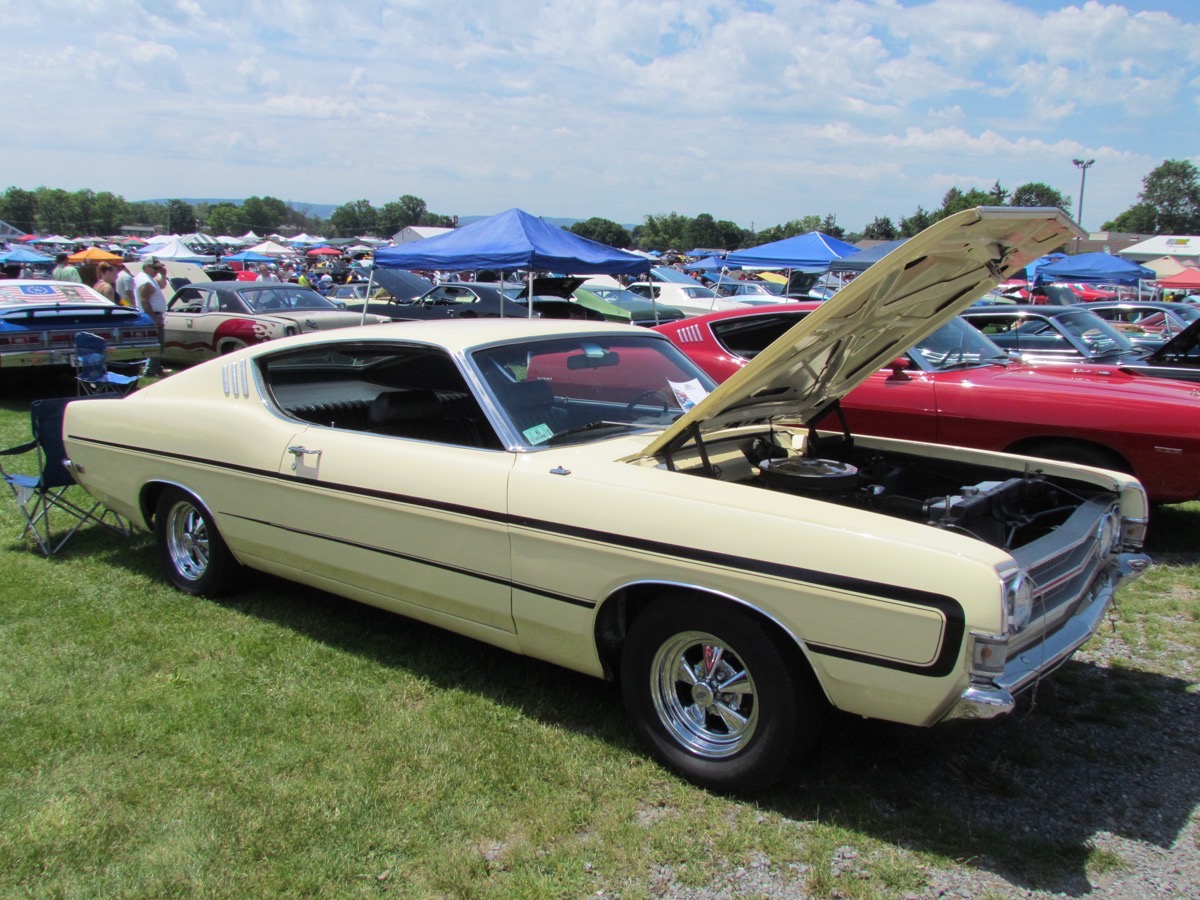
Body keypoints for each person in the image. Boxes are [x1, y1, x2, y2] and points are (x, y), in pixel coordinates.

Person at [136, 256, 169, 375]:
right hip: (152, 315)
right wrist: (153, 318)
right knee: (156, 344)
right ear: (147, 267)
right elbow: (144, 300)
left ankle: (156, 368)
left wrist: (163, 275)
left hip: (154, 315)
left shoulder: (149, 279)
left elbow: (162, 285)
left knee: (158, 343)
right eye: (155, 268)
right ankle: (150, 370)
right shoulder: (146, 282)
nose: (157, 270)